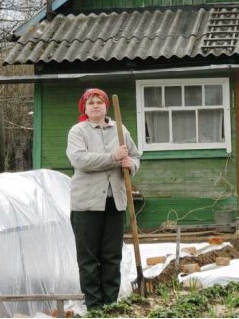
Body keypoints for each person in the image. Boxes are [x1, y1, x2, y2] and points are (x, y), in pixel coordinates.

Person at [66, 88, 141, 311]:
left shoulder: (119, 129)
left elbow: (135, 156)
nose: (96, 105)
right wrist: (113, 158)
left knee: (111, 256)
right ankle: (94, 307)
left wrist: (131, 165)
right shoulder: (78, 131)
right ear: (85, 108)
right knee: (89, 259)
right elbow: (81, 160)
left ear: (106, 106)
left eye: (100, 101)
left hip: (115, 202)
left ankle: (110, 305)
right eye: (91, 103)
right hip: (87, 205)